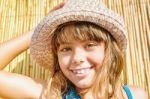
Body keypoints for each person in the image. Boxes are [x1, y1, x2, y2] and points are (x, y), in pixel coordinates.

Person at [0, 0, 148, 99]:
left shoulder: (135, 95)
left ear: (108, 49)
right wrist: (39, 30)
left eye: (89, 45)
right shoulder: (51, 94)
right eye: (66, 49)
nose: (77, 58)